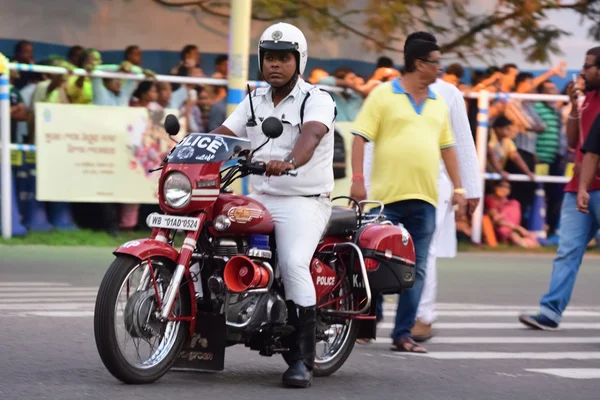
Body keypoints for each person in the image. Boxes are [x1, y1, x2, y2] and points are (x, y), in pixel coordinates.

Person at [210, 22, 337, 388]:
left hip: (304, 200)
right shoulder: (253, 100)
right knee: (211, 237)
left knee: (294, 262)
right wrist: (186, 147)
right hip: (261, 198)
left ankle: (302, 357)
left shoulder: (318, 99)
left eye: (284, 58)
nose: (275, 65)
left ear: (299, 60)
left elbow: (311, 137)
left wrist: (292, 161)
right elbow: (223, 135)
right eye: (269, 58)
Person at [350, 37, 466, 353]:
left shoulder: (438, 103)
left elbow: (448, 148)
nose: (439, 68)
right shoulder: (383, 95)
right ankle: (368, 320)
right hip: (386, 198)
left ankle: (403, 335)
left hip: (425, 199)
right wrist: (358, 180)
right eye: (435, 61)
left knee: (416, 268)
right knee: (372, 261)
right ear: (419, 64)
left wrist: (458, 188)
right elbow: (360, 137)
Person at [519, 46, 600, 330]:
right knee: (567, 250)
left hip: (593, 187)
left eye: (588, 66)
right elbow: (572, 142)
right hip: (579, 186)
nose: (582, 71)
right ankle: (551, 311)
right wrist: (574, 107)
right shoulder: (587, 98)